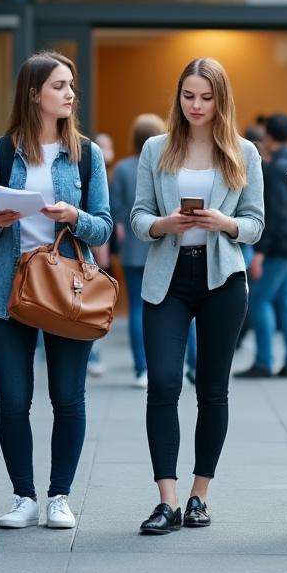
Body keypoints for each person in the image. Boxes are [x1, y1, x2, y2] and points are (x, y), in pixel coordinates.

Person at [0, 51, 112, 530]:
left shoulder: (87, 154)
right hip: (7, 292)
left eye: (71, 85)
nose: (70, 93)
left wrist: (74, 217)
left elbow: (103, 228)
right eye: (59, 86)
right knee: (12, 398)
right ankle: (23, 495)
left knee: (68, 397)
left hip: (68, 289)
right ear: (34, 94)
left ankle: (59, 496)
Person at [131, 57, 264, 535]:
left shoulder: (243, 152)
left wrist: (223, 223)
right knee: (164, 383)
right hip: (167, 278)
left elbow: (255, 224)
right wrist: (166, 224)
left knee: (212, 390)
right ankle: (166, 501)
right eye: (189, 95)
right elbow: (139, 218)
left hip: (221, 281)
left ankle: (198, 496)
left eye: (206, 97)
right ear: (178, 96)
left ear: (221, 100)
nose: (196, 105)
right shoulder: (156, 148)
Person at [235, 113, 287, 379]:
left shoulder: (275, 168)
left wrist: (260, 252)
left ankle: (264, 361)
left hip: (280, 245)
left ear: (268, 135)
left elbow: (274, 214)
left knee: (259, 299)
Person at [112, 114, 167, 388]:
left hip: (134, 247)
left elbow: (117, 208)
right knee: (181, 308)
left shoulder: (122, 168)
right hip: (167, 246)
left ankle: (141, 369)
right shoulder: (169, 164)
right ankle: (191, 365)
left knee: (137, 308)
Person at [87, 131, 116, 378]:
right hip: (92, 251)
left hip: (99, 244)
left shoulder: (112, 174)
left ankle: (93, 354)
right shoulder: (93, 170)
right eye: (104, 146)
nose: (108, 151)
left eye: (109, 146)